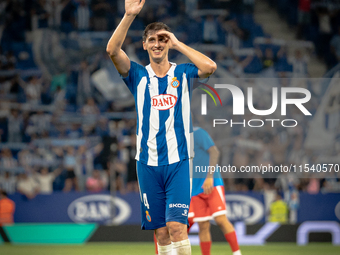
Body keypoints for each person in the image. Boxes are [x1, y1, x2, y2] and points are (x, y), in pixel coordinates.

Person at [106, 1, 217, 254]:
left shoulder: (184, 73)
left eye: (162, 39)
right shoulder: (137, 75)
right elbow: (112, 50)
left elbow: (210, 67)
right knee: (161, 232)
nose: (157, 43)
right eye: (152, 39)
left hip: (178, 162)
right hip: (146, 163)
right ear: (144, 45)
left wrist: (177, 43)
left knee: (177, 226)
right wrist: (128, 15)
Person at [154, 127, 241, 255]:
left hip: (211, 182)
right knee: (203, 225)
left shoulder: (198, 133)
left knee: (220, 219)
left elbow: (215, 152)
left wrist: (210, 177)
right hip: (194, 189)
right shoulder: (178, 140)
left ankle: (237, 253)